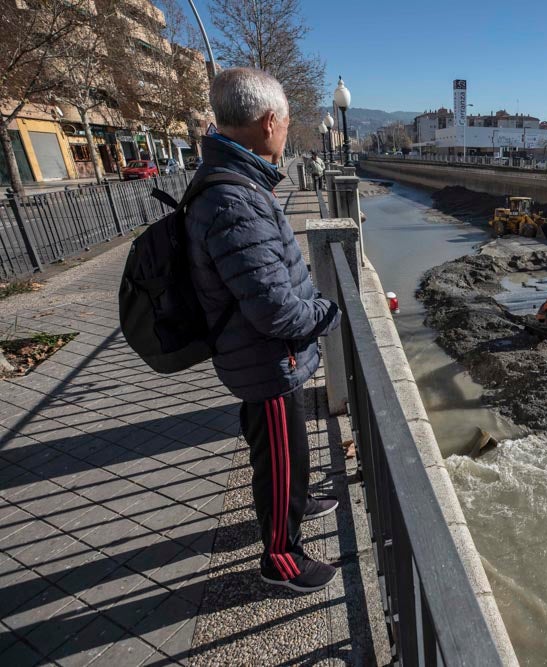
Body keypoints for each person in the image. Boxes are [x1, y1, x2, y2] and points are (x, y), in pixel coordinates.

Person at [186, 68, 341, 593]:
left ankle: (297, 497)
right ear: (270, 121)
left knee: (288, 451)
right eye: (286, 121)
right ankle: (281, 555)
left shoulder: (239, 181)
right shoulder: (235, 199)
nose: (285, 130)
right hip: (267, 358)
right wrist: (326, 314)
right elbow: (272, 308)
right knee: (276, 457)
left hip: (270, 356)